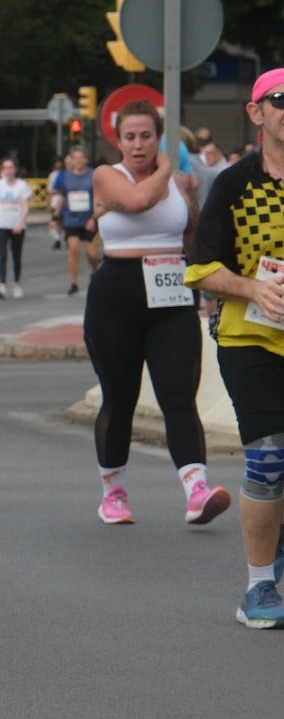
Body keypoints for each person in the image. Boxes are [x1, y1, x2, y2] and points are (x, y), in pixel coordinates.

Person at [86, 99, 228, 529]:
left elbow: (193, 233)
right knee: (120, 398)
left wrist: (209, 286)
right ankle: (113, 492)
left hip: (170, 293)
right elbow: (135, 200)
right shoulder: (108, 175)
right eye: (129, 136)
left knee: (179, 396)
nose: (138, 144)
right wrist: (168, 169)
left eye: (147, 136)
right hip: (117, 295)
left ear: (158, 135)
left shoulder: (181, 183)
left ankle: (197, 490)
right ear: (118, 139)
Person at [186, 68, 284, 628]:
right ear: (256, 113)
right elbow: (199, 269)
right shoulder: (234, 184)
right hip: (251, 339)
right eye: (278, 99)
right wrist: (253, 288)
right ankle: (258, 588)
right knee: (269, 459)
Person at [55, 146, 99, 295]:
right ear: (71, 161)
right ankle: (73, 283)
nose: (79, 160)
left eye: (82, 157)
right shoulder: (66, 176)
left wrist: (94, 218)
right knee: (73, 250)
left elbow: (98, 198)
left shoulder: (93, 175)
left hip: (89, 219)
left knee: (92, 253)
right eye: (76, 158)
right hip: (71, 220)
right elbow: (61, 197)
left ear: (86, 160)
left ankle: (95, 271)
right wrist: (55, 216)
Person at [0, 157, 30, 298]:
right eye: (5, 168)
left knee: (16, 255)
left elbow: (25, 206)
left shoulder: (22, 185)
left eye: (10, 167)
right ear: (2, 170)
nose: (8, 171)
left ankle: (17, 284)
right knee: (2, 255)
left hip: (17, 225)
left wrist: (20, 222)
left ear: (15, 169)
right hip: (0, 223)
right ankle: (1, 285)